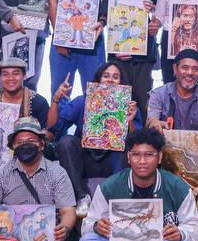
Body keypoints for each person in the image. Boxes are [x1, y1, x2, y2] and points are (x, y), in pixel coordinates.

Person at [78, 129, 198, 241]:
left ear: (159, 157)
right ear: (128, 157)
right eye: (136, 154)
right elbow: (87, 226)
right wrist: (96, 226)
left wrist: (180, 233)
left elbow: (196, 228)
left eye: (149, 155)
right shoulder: (109, 187)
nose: (142, 161)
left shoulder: (177, 187)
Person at [145, 48, 198, 241]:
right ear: (175, 69)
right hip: (166, 154)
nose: (190, 73)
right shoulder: (159, 93)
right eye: (185, 68)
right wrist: (156, 124)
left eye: (195, 69)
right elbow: (151, 120)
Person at [48, 62, 142, 213]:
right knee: (66, 141)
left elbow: (138, 142)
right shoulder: (83, 101)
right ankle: (81, 197)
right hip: (85, 159)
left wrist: (130, 121)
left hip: (113, 160)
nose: (110, 80)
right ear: (99, 79)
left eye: (115, 77)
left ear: (121, 82)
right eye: (106, 76)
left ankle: (117, 199)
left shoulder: (129, 106)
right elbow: (54, 126)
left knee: (127, 146)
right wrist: (56, 100)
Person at [100, 0, 161, 119]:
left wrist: (154, 12)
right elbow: (107, 13)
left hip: (145, 53)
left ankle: (142, 138)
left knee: (143, 103)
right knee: (116, 103)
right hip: (120, 54)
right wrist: (115, 47)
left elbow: (160, 14)